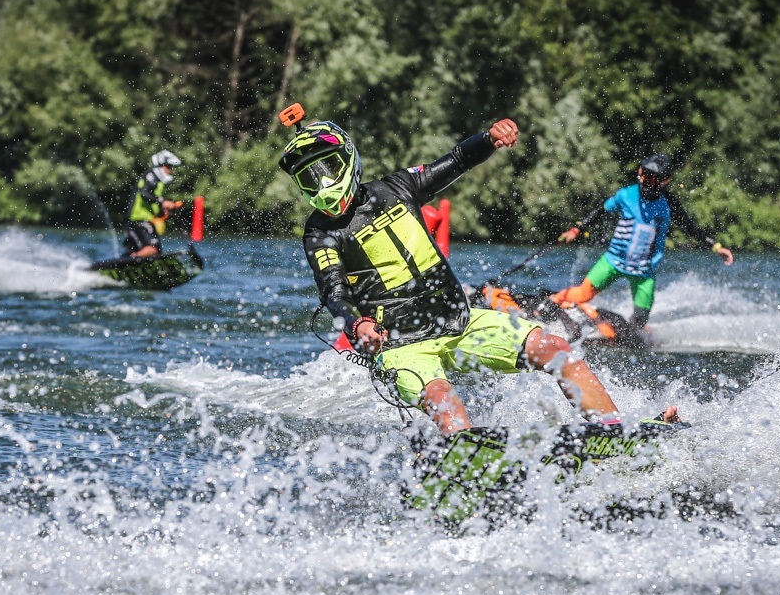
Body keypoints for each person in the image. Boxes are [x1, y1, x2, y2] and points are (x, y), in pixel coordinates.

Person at [279, 116, 674, 436]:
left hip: (460, 322)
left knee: (555, 347)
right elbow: (333, 291)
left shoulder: (397, 187)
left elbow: (455, 160)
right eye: (309, 178)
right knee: (442, 396)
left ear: (347, 159)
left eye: (326, 170)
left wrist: (488, 139)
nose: (322, 184)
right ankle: (466, 458)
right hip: (401, 346)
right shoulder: (319, 233)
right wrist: (358, 323)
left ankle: (613, 432)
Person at [551, 153, 734, 329]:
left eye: (655, 180)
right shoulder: (626, 195)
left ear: (666, 181)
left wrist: (716, 246)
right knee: (583, 294)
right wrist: (576, 230)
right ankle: (552, 302)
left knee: (641, 318)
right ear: (640, 172)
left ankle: (629, 332)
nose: (649, 183)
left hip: (644, 271)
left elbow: (690, 227)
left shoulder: (669, 203)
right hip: (613, 261)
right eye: (646, 177)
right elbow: (600, 211)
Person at [122, 150, 184, 258]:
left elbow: (151, 200)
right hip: (139, 221)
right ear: (160, 165)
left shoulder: (156, 181)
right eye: (168, 166)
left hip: (141, 221)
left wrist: (163, 211)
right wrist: (162, 202)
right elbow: (144, 193)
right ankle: (133, 260)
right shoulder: (151, 175)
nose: (170, 170)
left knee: (134, 252)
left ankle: (126, 263)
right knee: (154, 249)